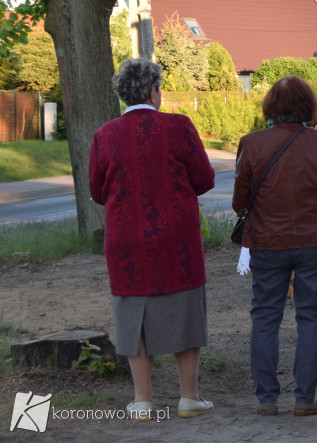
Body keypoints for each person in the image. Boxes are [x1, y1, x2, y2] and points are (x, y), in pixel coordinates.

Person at [88, 58, 216, 420]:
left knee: (133, 314)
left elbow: (97, 191)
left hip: (125, 239)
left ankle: (143, 400)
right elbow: (205, 179)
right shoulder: (179, 126)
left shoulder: (104, 135)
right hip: (177, 238)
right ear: (154, 91)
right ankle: (189, 396)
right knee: (185, 308)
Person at [233, 76, 317, 416]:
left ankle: (267, 399)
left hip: (267, 241)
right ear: (308, 107)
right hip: (315, 241)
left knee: (265, 316)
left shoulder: (251, 144)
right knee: (311, 317)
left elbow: (240, 201)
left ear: (270, 107)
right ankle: (304, 399)